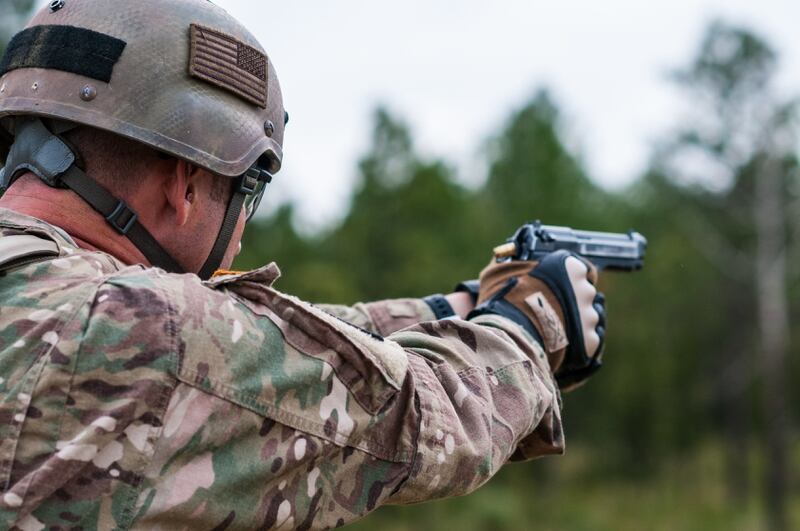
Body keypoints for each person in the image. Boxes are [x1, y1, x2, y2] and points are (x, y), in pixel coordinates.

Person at [0, 1, 606, 529]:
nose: (240, 234)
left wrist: (456, 309)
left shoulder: (54, 295)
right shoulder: (144, 329)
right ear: (184, 185)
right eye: (249, 190)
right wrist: (529, 323)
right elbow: (424, 420)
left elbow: (273, 344)